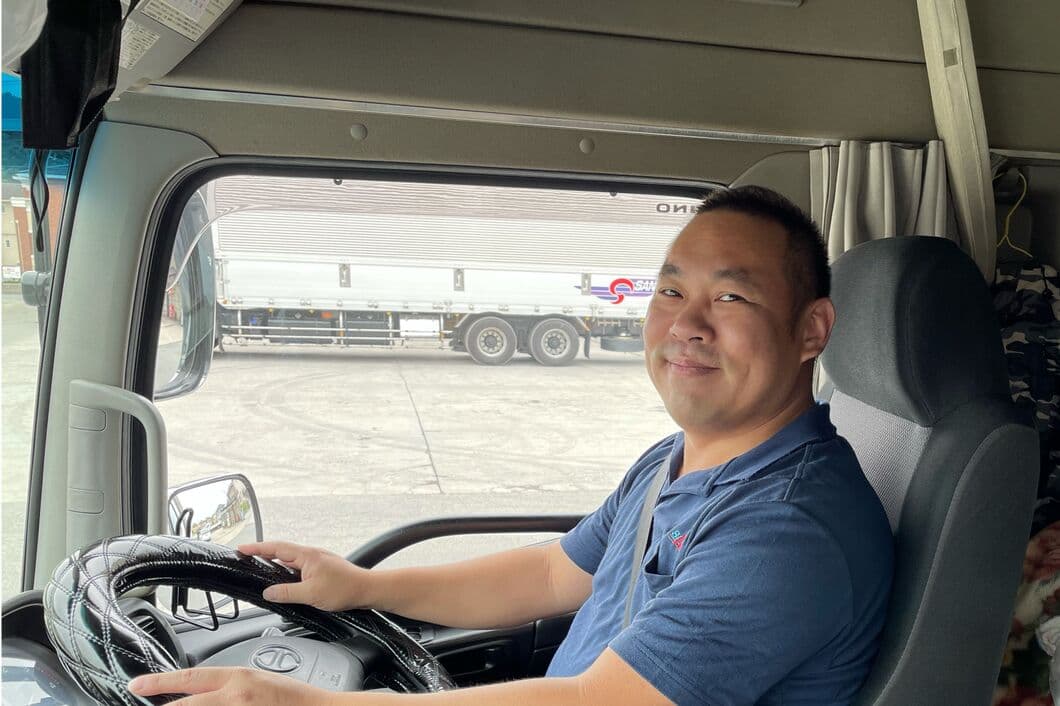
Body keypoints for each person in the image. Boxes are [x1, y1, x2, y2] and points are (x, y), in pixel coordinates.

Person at [130, 186, 894, 706]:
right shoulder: (678, 460)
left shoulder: (790, 528)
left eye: (730, 295)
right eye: (671, 291)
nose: (686, 324)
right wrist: (361, 585)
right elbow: (554, 572)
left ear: (811, 331)